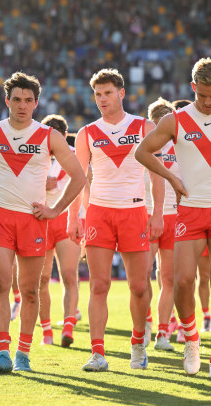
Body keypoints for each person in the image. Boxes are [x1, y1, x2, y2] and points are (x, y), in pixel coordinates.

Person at [135, 58, 211, 379]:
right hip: (190, 210)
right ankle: (191, 341)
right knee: (184, 281)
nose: (207, 102)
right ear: (193, 88)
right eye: (202, 95)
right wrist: (172, 179)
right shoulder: (177, 120)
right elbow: (142, 152)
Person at [0, 72, 86, 373]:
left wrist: (56, 210)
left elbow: (80, 176)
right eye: (16, 99)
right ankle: (2, 352)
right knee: (2, 282)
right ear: (7, 100)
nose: (22, 105)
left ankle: (23, 355)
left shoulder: (48, 136)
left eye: (28, 100)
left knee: (30, 290)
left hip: (33, 219)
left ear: (36, 103)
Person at [73, 68, 161, 372]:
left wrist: (158, 212)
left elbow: (157, 173)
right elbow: (77, 178)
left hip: (135, 212)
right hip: (99, 212)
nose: (102, 99)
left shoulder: (143, 126)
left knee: (139, 286)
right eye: (97, 94)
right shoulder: (86, 133)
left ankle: (138, 344)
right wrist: (76, 217)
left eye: (108, 93)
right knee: (98, 285)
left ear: (121, 93)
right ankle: (97, 353)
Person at [38, 114, 82, 348]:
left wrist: (81, 218)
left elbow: (85, 187)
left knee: (68, 274)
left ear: (64, 136)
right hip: (41, 220)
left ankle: (68, 326)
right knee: (42, 279)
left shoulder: (75, 156)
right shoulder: (35, 157)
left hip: (66, 219)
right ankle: (46, 330)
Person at [142, 98, 174, 349]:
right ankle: (160, 333)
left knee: (149, 277)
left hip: (152, 214)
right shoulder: (145, 144)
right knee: (165, 278)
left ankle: (152, 328)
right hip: (160, 214)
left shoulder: (146, 143)